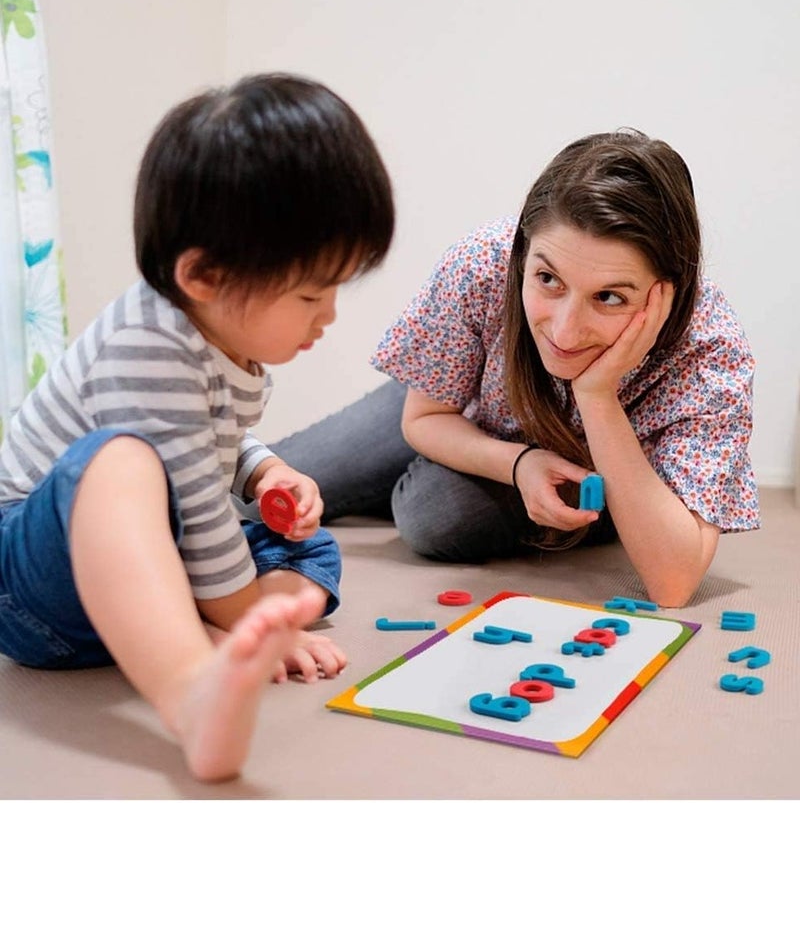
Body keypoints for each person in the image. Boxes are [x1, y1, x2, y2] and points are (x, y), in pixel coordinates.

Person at [0, 72, 394, 781]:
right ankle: (191, 685)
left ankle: (196, 619)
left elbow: (210, 437)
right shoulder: (147, 345)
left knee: (313, 549)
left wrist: (265, 469)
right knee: (121, 462)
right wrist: (244, 613)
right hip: (33, 578)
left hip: (136, 560)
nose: (327, 315)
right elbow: (192, 497)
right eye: (311, 293)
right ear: (204, 275)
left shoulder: (209, 332)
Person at [270, 129, 760, 609]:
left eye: (609, 297)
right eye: (548, 279)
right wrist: (519, 463)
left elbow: (673, 583)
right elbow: (424, 418)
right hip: (461, 406)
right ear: (522, 256)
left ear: (667, 292)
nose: (566, 333)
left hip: (609, 474)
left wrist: (596, 395)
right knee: (261, 487)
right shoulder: (484, 264)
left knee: (436, 514)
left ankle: (419, 477)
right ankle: (416, 471)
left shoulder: (711, 352)